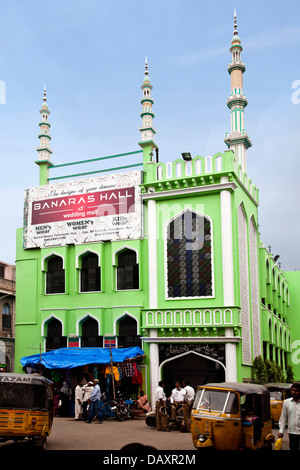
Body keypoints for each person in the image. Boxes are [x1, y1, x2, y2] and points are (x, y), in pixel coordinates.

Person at [278, 382, 300, 450]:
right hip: (292, 432)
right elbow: (283, 418)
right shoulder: (286, 402)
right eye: (292, 390)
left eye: (296, 391)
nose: (293, 392)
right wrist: (281, 431)